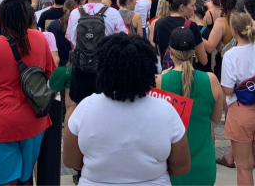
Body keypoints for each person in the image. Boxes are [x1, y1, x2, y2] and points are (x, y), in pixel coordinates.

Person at [63, 33, 191, 185]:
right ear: (148, 70)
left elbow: (71, 161)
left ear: (103, 69)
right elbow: (181, 167)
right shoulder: (165, 110)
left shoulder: (85, 107)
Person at [0, 0, 56, 185]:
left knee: (4, 180)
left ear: (1, 20)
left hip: (1, 124)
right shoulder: (40, 39)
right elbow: (49, 73)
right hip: (34, 121)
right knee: (27, 177)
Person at [155, 27, 223, 186]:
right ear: (194, 51)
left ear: (170, 52)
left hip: (171, 167)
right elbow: (216, 118)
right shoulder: (211, 80)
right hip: (203, 164)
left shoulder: (159, 82)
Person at [65, 0, 127, 106]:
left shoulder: (75, 13)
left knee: (81, 109)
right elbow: (123, 41)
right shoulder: (113, 13)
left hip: (80, 71)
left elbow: (71, 41)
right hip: (104, 71)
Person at [221, 12, 255, 185]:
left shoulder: (230, 55)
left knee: (244, 166)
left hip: (241, 109)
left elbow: (227, 90)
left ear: (234, 31)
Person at [153, 0, 208, 67]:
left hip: (168, 74)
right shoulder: (191, 26)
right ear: (182, 7)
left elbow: (160, 52)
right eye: (192, 5)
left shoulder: (159, 24)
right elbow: (204, 60)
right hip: (186, 75)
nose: (195, 8)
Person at [203, 0, 237, 78]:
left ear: (221, 4)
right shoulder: (242, 17)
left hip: (225, 62)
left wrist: (196, 34)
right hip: (239, 59)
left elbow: (210, 47)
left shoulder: (221, 22)